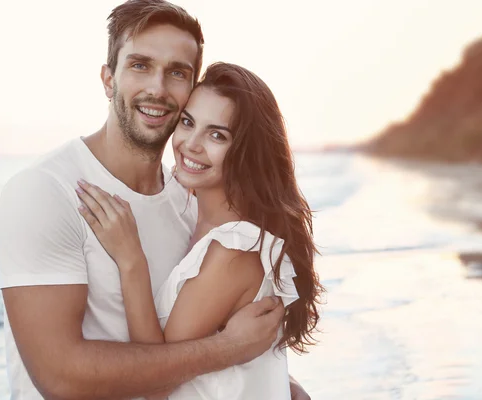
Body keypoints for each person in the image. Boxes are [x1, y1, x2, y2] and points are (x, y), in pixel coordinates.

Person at [0, 0, 313, 399]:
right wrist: (230, 349)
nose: (158, 89)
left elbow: (211, 335)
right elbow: (61, 379)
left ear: (191, 89)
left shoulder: (193, 199)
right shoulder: (45, 192)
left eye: (177, 73)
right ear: (108, 79)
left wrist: (282, 385)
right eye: (140, 65)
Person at [76, 62, 324, 399]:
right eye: (188, 122)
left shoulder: (234, 249)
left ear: (247, 152)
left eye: (217, 135)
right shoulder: (193, 211)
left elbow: (158, 383)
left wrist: (130, 258)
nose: (191, 144)